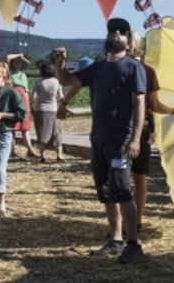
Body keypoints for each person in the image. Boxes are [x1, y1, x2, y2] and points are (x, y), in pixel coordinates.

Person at [54, 17, 145, 264]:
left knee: (122, 190)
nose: (115, 33)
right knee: (107, 192)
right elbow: (65, 81)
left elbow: (139, 103)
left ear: (128, 40)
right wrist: (60, 62)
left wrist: (136, 138)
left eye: (121, 31)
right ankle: (115, 240)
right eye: (112, 30)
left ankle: (133, 243)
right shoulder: (96, 69)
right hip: (99, 140)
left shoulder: (133, 67)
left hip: (121, 141)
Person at [127, 30, 174, 229]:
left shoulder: (144, 71)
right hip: (138, 128)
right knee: (137, 177)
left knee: (127, 178)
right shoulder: (146, 71)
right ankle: (134, 221)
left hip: (127, 129)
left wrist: (173, 110)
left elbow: (153, 104)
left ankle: (129, 222)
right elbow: (154, 104)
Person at [0, 62, 26, 217]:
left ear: (5, 77)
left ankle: (1, 204)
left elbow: (22, 114)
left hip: (3, 132)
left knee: (0, 169)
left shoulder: (12, 93)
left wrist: (2, 115)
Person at [30, 62, 65, 163]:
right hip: (54, 110)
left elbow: (33, 97)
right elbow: (60, 97)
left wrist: (31, 107)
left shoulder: (39, 82)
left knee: (42, 133)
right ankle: (59, 155)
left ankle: (42, 156)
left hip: (41, 110)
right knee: (56, 132)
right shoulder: (56, 82)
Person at [7, 53, 39, 158]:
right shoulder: (9, 73)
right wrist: (19, 54)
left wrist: (29, 107)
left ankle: (30, 149)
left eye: (19, 62)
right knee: (13, 128)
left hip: (24, 100)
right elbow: (7, 58)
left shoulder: (23, 74)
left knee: (25, 127)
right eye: (16, 62)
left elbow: (26, 91)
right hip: (14, 101)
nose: (18, 64)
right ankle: (12, 150)